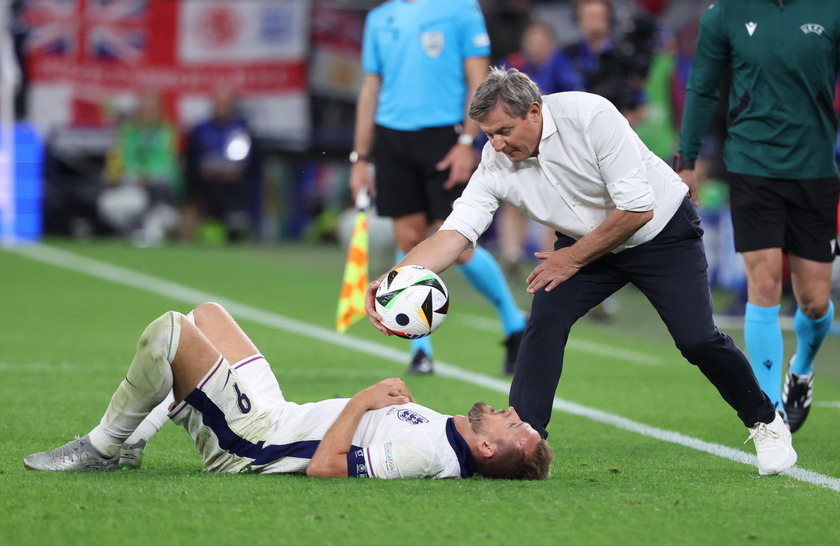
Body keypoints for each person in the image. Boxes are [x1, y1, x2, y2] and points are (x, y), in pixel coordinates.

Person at [365, 67, 797, 477]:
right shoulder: (494, 162)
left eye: (503, 132)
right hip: (584, 245)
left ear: (533, 111)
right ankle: (525, 441)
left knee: (696, 338)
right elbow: (456, 234)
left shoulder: (591, 115)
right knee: (545, 323)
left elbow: (636, 209)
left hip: (659, 233)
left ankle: (765, 421)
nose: (495, 145)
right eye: (489, 135)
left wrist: (570, 259)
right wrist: (394, 281)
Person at [23, 302, 553, 480]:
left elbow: (325, 466)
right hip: (279, 413)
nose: (508, 410)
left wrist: (364, 400)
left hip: (253, 441)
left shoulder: (424, 455)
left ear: (487, 448)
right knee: (208, 315)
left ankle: (100, 447)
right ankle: (138, 438)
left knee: (172, 331)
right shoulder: (449, 436)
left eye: (514, 424)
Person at [675, 0, 840, 433]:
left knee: (816, 302)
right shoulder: (725, 14)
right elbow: (702, 87)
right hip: (751, 164)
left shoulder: (831, 10)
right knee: (764, 283)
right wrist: (686, 159)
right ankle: (771, 416)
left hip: (816, 168)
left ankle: (801, 369)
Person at [350, 0, 527, 376]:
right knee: (409, 239)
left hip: (444, 136)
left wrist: (467, 140)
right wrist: (361, 157)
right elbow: (370, 90)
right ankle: (420, 350)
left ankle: (514, 325)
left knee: (458, 246)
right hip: (392, 140)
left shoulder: (461, 8)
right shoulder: (380, 18)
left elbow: (478, 79)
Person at [98, 90, 181, 246]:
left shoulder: (166, 130)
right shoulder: (129, 131)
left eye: (151, 109)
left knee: (160, 185)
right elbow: (126, 158)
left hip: (158, 184)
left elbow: (166, 160)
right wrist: (136, 174)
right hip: (132, 180)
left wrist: (149, 174)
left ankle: (155, 222)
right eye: (144, 109)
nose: (147, 113)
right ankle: (129, 230)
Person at [182, 85, 257, 243]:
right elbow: (196, 157)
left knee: (236, 183)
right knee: (204, 182)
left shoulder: (240, 128)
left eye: (226, 103)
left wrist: (230, 169)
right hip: (205, 177)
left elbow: (242, 157)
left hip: (232, 176)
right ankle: (225, 219)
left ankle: (235, 219)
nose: (221, 108)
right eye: (218, 103)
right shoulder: (201, 128)